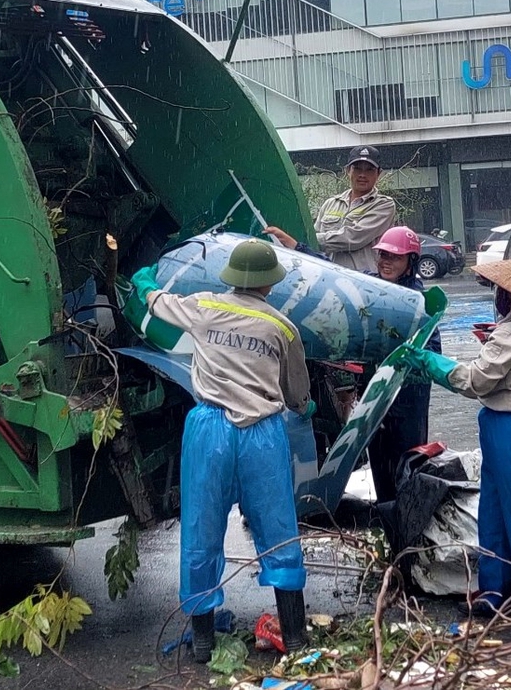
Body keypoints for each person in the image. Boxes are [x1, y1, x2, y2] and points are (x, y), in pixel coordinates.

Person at [124, 240, 314, 662]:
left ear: (230, 277)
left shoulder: (204, 305)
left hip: (209, 430)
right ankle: (297, 639)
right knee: (278, 529)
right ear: (268, 285)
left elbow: (158, 303)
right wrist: (304, 406)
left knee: (202, 531)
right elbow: (297, 391)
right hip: (262, 433)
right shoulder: (283, 328)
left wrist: (144, 284)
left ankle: (205, 641)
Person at [400, 258, 511, 624]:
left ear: (509, 295)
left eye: (499, 291)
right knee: (493, 513)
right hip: (506, 426)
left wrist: (433, 363)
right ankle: (495, 593)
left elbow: (477, 382)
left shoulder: (510, 333)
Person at [366, 225, 440, 503]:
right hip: (377, 396)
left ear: (411, 263)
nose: (386, 261)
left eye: (394, 257)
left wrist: (409, 358)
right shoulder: (372, 288)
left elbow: (433, 351)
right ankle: (389, 524)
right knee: (380, 468)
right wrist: (298, 249)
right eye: (383, 255)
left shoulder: (420, 302)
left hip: (408, 399)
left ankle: (407, 526)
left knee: (406, 466)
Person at [266, 146, 397, 273]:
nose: (362, 175)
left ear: (379, 173)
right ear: (347, 170)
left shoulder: (384, 205)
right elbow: (315, 243)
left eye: (369, 170)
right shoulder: (330, 203)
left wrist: (302, 240)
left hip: (364, 282)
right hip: (328, 278)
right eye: (357, 169)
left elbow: (352, 238)